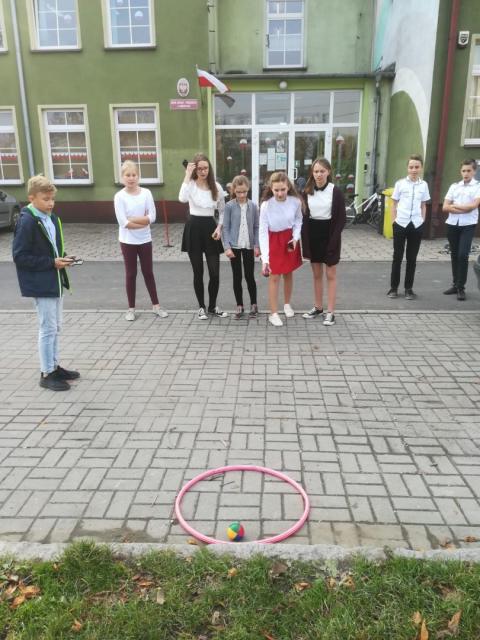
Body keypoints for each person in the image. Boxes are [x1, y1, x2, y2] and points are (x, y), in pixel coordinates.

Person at [12, 175, 79, 391]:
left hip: (54, 280)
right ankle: (46, 373)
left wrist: (64, 258)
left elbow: (52, 248)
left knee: (56, 326)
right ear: (32, 198)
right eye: (46, 199)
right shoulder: (27, 222)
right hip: (42, 283)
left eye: (52, 199)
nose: (50, 203)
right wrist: (52, 263)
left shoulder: (51, 218)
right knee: (47, 328)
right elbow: (20, 256)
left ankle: (54, 366)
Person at [114, 160, 168, 321]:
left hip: (145, 240)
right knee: (131, 274)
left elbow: (152, 217)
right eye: (127, 175)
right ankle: (131, 309)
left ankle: (156, 306)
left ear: (138, 176)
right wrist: (142, 222)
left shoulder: (146, 193)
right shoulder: (119, 197)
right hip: (127, 241)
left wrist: (134, 219)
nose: (131, 178)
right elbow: (123, 223)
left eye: (134, 175)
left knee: (148, 272)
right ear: (122, 177)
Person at [179, 153, 228, 319]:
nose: (203, 171)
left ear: (209, 168)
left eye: (205, 168)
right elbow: (181, 198)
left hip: (210, 228)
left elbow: (222, 211)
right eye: (199, 168)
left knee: (215, 273)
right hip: (193, 228)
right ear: (195, 169)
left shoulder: (216, 186)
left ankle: (213, 307)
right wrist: (187, 175)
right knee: (198, 272)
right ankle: (201, 307)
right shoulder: (190, 184)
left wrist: (219, 228)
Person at [300, 157, 346, 326]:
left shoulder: (335, 191)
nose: (319, 174)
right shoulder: (307, 191)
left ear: (328, 172)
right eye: (316, 171)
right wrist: (304, 241)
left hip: (330, 235)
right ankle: (318, 307)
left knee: (331, 275)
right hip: (313, 235)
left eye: (322, 171)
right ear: (312, 173)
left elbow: (341, 219)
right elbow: (304, 217)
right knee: (317, 274)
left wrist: (333, 240)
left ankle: (330, 312)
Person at [259, 171, 303, 327]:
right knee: (274, 277)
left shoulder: (296, 202)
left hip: (289, 240)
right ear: (271, 188)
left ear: (288, 187)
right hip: (273, 241)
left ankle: (287, 304)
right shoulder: (266, 205)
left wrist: (295, 238)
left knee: (288, 273)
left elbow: (298, 220)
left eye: (282, 189)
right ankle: (273, 313)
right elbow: (262, 231)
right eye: (276, 190)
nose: (279, 193)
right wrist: (265, 258)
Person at [386, 155, 430, 300]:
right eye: (411, 167)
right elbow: (394, 203)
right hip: (401, 224)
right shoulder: (400, 184)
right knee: (397, 257)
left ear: (421, 168)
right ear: (407, 168)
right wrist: (394, 222)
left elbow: (423, 205)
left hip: (416, 225)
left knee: (412, 258)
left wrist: (422, 221)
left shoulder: (424, 185)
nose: (414, 170)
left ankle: (408, 289)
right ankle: (393, 288)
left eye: (417, 167)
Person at [222, 175, 260, 319]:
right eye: (238, 192)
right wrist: (227, 247)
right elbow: (226, 227)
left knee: (249, 276)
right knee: (237, 277)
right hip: (234, 246)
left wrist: (256, 245)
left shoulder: (253, 206)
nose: (242, 195)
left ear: (248, 189)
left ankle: (254, 304)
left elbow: (256, 227)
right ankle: (239, 305)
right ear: (233, 191)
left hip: (249, 246)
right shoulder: (229, 206)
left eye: (244, 191)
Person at [442, 158, 480, 301]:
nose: (466, 173)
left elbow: (473, 206)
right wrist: (462, 209)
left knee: (463, 255)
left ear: (474, 171)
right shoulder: (454, 186)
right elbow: (445, 207)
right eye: (463, 171)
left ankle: (461, 288)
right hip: (452, 224)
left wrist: (454, 206)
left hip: (468, 225)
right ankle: (455, 284)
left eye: (469, 170)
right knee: (454, 255)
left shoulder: (478, 187)